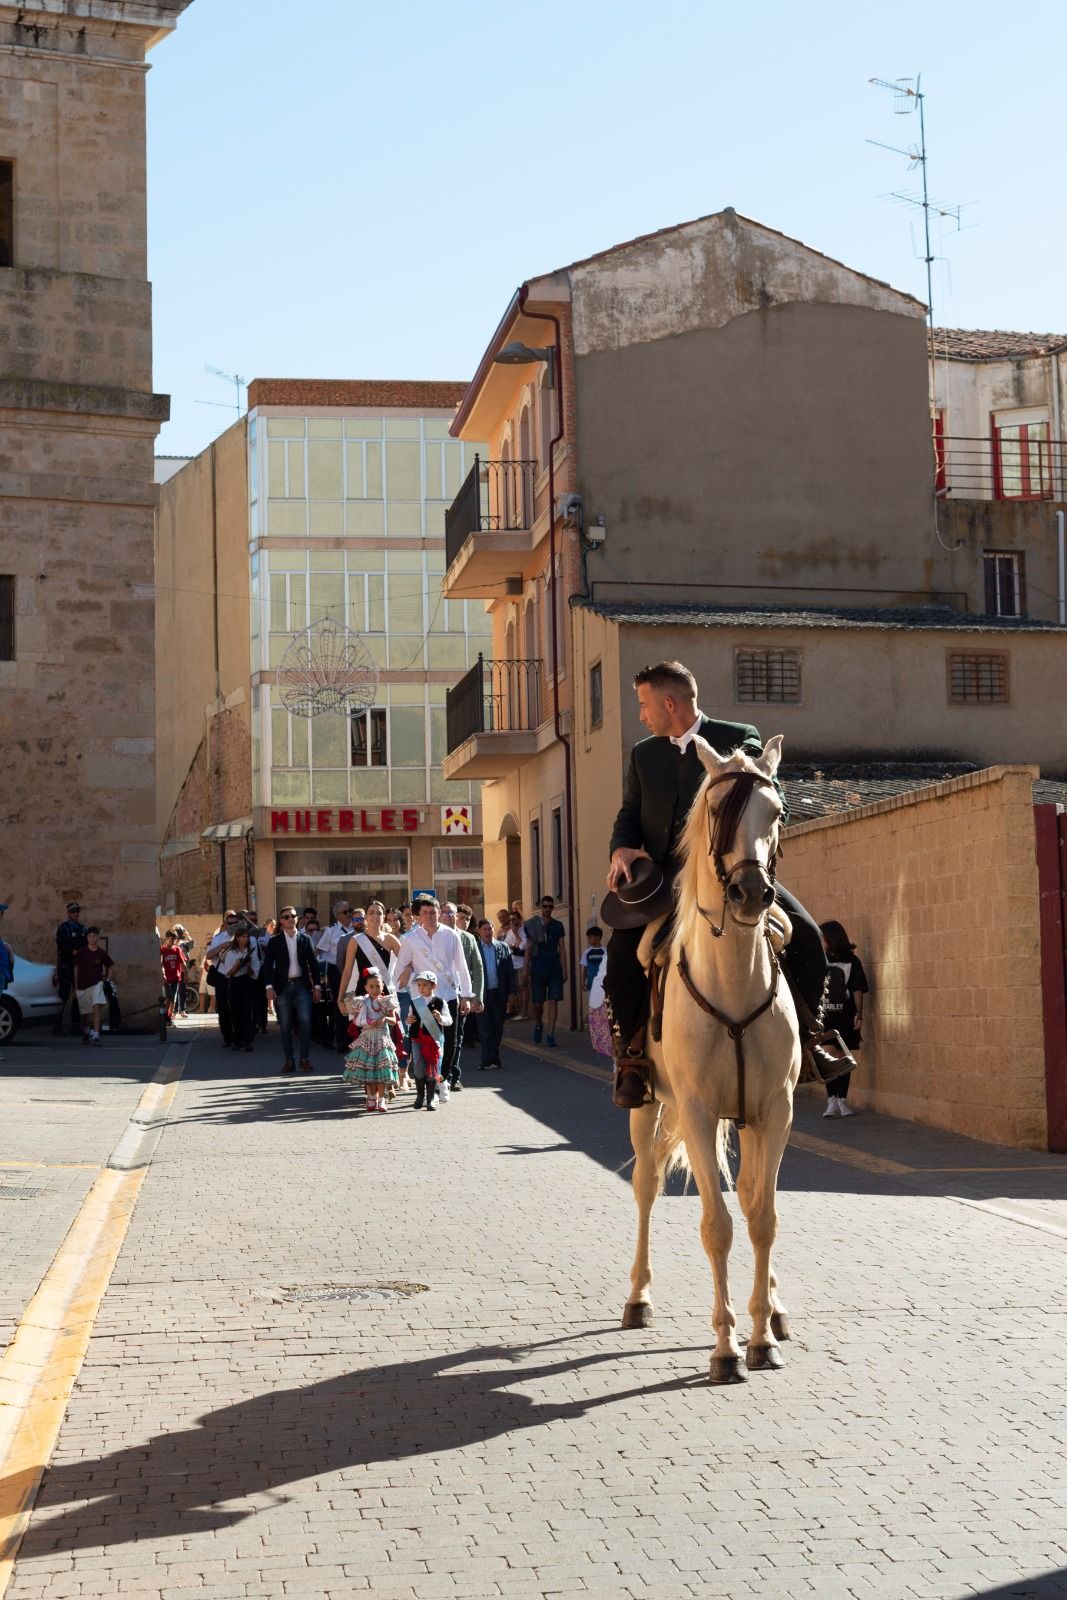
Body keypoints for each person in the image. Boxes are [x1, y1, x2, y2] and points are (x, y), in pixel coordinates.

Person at [605, 659, 853, 1109]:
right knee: (621, 954)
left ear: (669, 702)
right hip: (668, 885)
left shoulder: (739, 737)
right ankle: (632, 1059)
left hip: (738, 874)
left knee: (810, 939)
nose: (640, 715)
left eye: (643, 705)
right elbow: (630, 813)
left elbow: (772, 798)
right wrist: (622, 847)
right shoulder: (644, 754)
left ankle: (815, 1038)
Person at [394, 894, 473, 1104]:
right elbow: (398, 974)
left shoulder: (451, 935)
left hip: (447, 996)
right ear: (419, 916)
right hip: (422, 1001)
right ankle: (429, 1086)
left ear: (440, 913)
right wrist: (411, 973)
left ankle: (442, 1080)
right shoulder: (410, 939)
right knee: (425, 1043)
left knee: (450, 1043)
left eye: (434, 912)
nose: (429, 916)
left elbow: (462, 968)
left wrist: (466, 995)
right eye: (425, 913)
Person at [262, 907, 323, 1073]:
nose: (290, 919)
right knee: (285, 1025)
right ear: (281, 920)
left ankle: (304, 1058)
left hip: (302, 985)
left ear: (297, 919)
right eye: (286, 917)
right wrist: (268, 987)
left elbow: (313, 964)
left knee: (305, 1022)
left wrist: (317, 986)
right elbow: (267, 966)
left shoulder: (305, 939)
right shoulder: (275, 941)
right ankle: (289, 1060)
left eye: (293, 916)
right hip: (283, 987)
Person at [819, 921, 868, 1119]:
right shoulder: (819, 960)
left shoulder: (852, 962)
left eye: (823, 937)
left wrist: (859, 1013)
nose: (821, 941)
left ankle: (842, 1100)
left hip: (845, 1016)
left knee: (843, 1058)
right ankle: (831, 1100)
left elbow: (858, 989)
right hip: (825, 1017)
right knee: (829, 1056)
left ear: (832, 938)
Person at [342, 969, 400, 1111]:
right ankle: (371, 1098)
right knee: (368, 1070)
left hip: (381, 1039)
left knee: (381, 1069)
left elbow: (393, 1021)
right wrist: (366, 1021)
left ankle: (381, 1099)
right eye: (372, 986)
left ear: (382, 986)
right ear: (366, 988)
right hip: (367, 1039)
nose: (375, 989)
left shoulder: (386, 1001)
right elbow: (356, 1021)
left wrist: (385, 1018)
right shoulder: (361, 1002)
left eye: (378, 986)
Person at [446, 903, 485, 1088]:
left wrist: (476, 997)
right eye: (459, 916)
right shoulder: (437, 936)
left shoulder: (469, 938)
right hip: (440, 994)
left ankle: (454, 1075)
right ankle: (439, 1074)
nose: (462, 921)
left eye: (465, 918)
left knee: (457, 1036)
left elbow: (477, 967)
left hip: (461, 995)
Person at [405, 970, 451, 1111]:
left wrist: (440, 1019)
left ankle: (431, 1098)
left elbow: (449, 1020)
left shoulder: (440, 1002)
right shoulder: (414, 1002)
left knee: (433, 1070)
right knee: (418, 1069)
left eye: (425, 985)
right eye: (419, 985)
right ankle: (420, 1096)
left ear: (433, 986)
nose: (421, 988)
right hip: (417, 1039)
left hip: (433, 1040)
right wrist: (408, 1020)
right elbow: (408, 1019)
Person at [475, 918, 516, 1070]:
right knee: (484, 1028)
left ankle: (494, 1057)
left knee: (497, 1027)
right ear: (479, 931)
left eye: (490, 929)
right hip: (482, 994)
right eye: (484, 929)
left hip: (499, 993)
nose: (488, 932)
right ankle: (486, 1059)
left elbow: (510, 972)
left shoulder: (503, 947)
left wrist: (512, 992)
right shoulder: (475, 948)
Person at [315, 900, 355, 1053]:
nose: (349, 914)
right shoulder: (331, 931)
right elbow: (319, 950)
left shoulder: (356, 929)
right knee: (340, 1007)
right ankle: (342, 1042)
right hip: (336, 971)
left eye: (350, 910)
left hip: (352, 970)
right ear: (338, 916)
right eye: (345, 912)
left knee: (354, 1005)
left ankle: (354, 1040)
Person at [526, 895, 566, 1047]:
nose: (547, 909)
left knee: (553, 1000)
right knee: (537, 1003)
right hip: (537, 966)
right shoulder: (533, 925)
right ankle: (538, 1023)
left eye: (550, 906)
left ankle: (550, 1033)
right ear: (540, 908)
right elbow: (529, 948)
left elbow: (562, 948)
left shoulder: (558, 926)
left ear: (553, 908)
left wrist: (565, 969)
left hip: (554, 966)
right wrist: (525, 968)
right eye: (545, 906)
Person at [216, 925, 262, 1052]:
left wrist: (248, 967)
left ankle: (247, 1040)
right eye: (242, 937)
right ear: (237, 938)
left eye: (247, 937)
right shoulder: (231, 952)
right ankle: (237, 1040)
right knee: (235, 1012)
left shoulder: (251, 952)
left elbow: (255, 974)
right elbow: (228, 973)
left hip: (247, 982)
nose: (245, 939)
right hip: (235, 982)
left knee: (247, 1012)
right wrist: (237, 965)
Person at [71, 926, 114, 1047]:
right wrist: (75, 986)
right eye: (90, 936)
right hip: (82, 985)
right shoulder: (82, 952)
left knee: (96, 1007)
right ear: (87, 938)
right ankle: (86, 1032)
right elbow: (76, 968)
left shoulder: (101, 953)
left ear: (98, 937)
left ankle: (96, 1035)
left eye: (94, 936)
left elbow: (110, 967)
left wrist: (108, 980)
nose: (92, 938)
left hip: (96, 983)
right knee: (84, 1014)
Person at [54, 900, 87, 1037]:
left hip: (78, 966)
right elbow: (61, 945)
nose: (75, 914)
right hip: (66, 965)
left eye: (77, 911)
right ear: (68, 913)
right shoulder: (63, 928)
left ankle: (75, 1026)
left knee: (77, 995)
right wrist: (72, 951)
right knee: (63, 995)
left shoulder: (82, 929)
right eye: (73, 912)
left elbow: (85, 944)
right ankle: (57, 1026)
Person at [207, 911, 241, 1046]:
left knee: (238, 1007)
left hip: (239, 975)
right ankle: (227, 1036)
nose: (232, 925)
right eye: (230, 923)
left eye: (235, 923)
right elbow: (209, 954)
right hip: (222, 975)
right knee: (223, 1008)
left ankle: (240, 1035)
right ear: (225, 924)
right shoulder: (219, 937)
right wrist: (223, 945)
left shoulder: (243, 936)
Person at [505, 910, 529, 1019]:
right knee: (517, 989)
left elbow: (522, 947)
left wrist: (515, 934)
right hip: (512, 963)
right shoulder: (509, 932)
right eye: (510, 920)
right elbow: (506, 946)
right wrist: (513, 947)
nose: (511, 922)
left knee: (523, 987)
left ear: (519, 920)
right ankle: (519, 1012)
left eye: (514, 919)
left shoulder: (524, 931)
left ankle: (524, 1013)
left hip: (521, 964)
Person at [160, 930, 187, 1022]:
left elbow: (182, 962)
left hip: (176, 977)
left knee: (173, 998)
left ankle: (169, 1015)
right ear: (166, 938)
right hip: (166, 978)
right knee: (169, 996)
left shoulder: (177, 949)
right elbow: (160, 964)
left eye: (174, 939)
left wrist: (185, 974)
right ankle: (165, 1016)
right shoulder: (162, 950)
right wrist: (162, 975)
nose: (173, 941)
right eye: (172, 939)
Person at [580, 926, 606, 998]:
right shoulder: (586, 952)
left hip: (603, 986)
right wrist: (583, 982)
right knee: (592, 1006)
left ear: (598, 937)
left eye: (590, 937)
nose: (588, 940)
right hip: (591, 985)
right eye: (588, 937)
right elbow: (584, 969)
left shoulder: (605, 951)